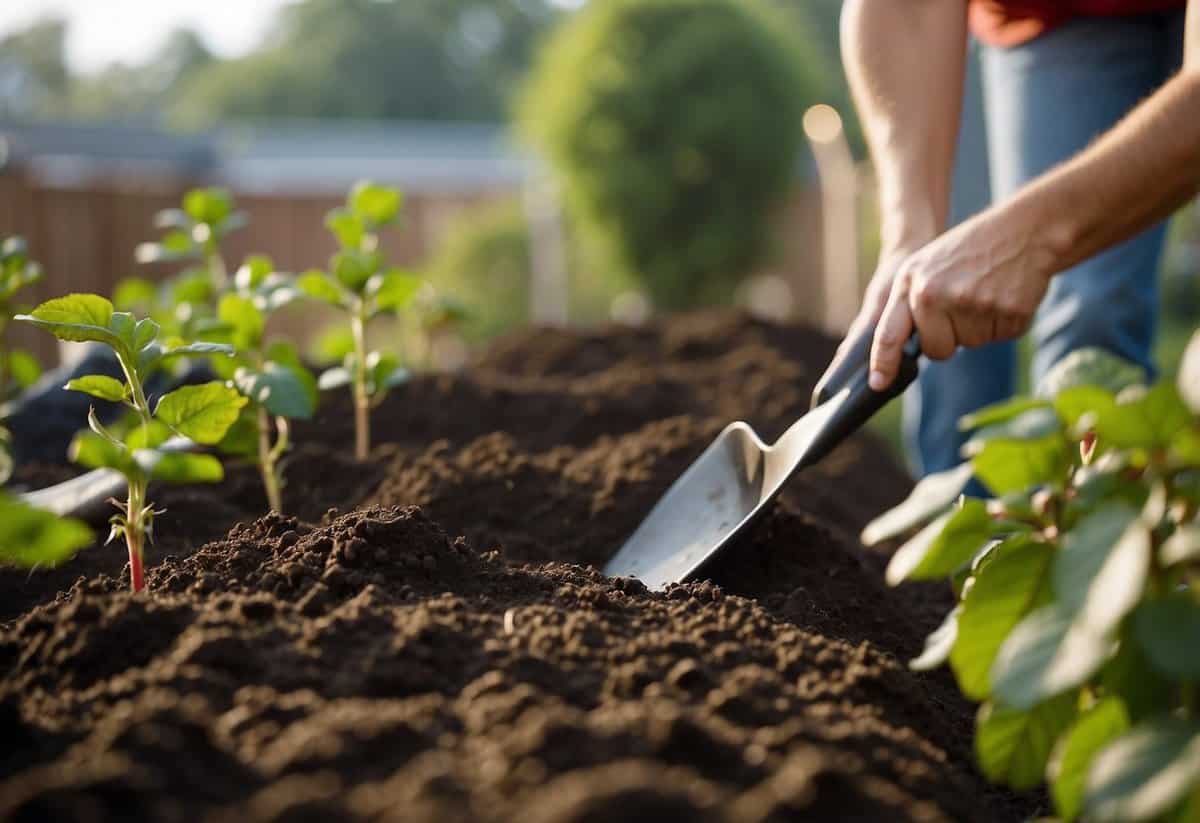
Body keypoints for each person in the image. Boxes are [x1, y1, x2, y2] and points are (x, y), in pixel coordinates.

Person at [829, 0, 1199, 476]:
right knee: (1090, 315)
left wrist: (1032, 236)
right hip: (1059, 16)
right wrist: (907, 235)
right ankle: (1067, 529)